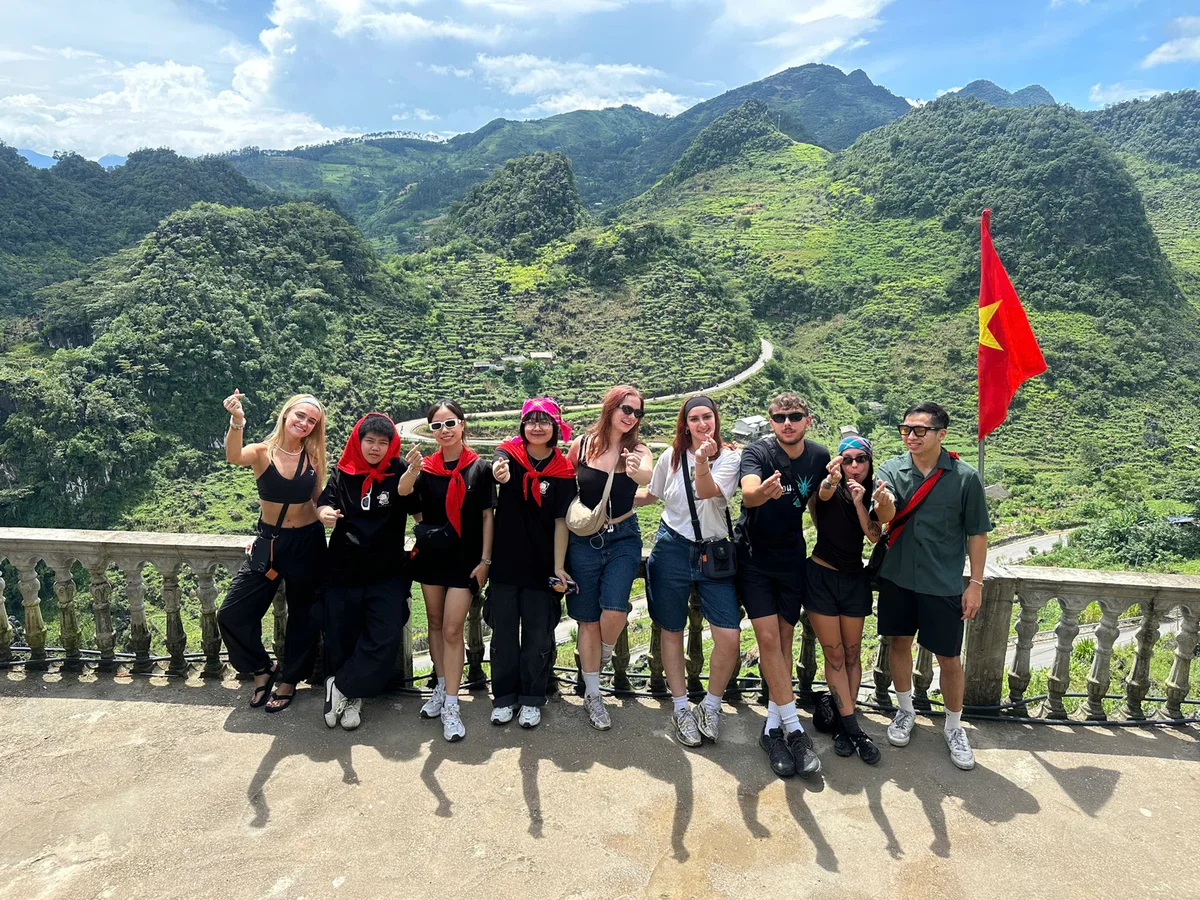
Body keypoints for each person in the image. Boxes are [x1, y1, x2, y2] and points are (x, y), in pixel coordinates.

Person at [876, 402, 991, 770]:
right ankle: (905, 710)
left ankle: (954, 726)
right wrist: (883, 504)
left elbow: (977, 533)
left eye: (919, 430)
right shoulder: (891, 469)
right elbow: (886, 518)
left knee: (949, 658)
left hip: (942, 582)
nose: (910, 436)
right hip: (898, 577)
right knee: (899, 644)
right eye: (905, 429)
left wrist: (975, 584)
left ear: (941, 434)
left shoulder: (964, 477)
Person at [641, 395, 742, 747]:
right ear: (685, 424)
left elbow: (707, 491)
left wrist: (701, 460)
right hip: (672, 547)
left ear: (716, 420)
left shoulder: (730, 457)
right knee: (672, 630)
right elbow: (652, 495)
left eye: (708, 417)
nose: (702, 424)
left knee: (729, 635)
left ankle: (711, 705)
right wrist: (604, 498)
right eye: (695, 419)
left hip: (712, 552)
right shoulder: (670, 457)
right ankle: (682, 707)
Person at [217, 391, 327, 712]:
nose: (304, 423)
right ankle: (262, 668)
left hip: (308, 542)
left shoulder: (313, 457)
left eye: (311, 421)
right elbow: (234, 456)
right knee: (232, 614)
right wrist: (238, 420)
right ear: (286, 414)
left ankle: (289, 679)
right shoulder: (262, 453)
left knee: (304, 616)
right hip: (271, 542)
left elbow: (317, 499)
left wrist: (331, 514)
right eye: (300, 416)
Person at [735, 393, 826, 777]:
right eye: (779, 417)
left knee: (785, 642)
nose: (786, 423)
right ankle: (793, 727)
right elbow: (749, 491)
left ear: (808, 419)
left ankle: (772, 728)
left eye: (794, 416)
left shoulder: (819, 457)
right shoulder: (758, 452)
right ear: (770, 422)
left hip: (792, 558)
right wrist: (762, 493)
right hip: (754, 557)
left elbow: (820, 505)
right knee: (769, 641)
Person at [317, 413, 424, 730]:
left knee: (386, 633)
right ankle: (352, 698)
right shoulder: (344, 470)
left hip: (386, 570)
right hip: (343, 568)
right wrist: (326, 515)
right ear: (358, 441)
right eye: (370, 441)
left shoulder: (400, 471)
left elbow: (413, 504)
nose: (376, 448)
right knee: (342, 634)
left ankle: (340, 686)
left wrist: (410, 480)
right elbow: (325, 502)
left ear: (391, 445)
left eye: (383, 442)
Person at [400, 400, 494, 742]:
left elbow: (487, 516)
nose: (444, 431)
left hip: (465, 561)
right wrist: (411, 473)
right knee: (436, 625)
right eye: (436, 426)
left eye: (450, 423)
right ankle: (441, 688)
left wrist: (485, 561)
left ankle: (452, 704)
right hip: (433, 558)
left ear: (462, 424)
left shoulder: (479, 468)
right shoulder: (426, 469)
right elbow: (407, 498)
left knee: (453, 630)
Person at [565, 385, 653, 731]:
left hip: (623, 537)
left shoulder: (639, 450)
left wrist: (636, 471)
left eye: (637, 413)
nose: (631, 417)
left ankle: (600, 655)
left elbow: (646, 475)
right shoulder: (583, 445)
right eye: (626, 409)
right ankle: (593, 694)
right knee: (586, 618)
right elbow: (565, 483)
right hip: (584, 539)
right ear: (611, 408)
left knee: (615, 608)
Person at [488, 398, 578, 729]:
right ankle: (504, 696)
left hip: (542, 564)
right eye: (530, 421)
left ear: (555, 427)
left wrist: (558, 567)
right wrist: (499, 474)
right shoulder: (507, 455)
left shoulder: (563, 470)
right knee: (504, 633)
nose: (536, 427)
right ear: (522, 426)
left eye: (544, 421)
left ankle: (532, 698)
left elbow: (561, 522)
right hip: (506, 560)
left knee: (539, 635)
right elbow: (498, 470)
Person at [808, 431, 895, 765]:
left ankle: (846, 722)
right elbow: (823, 496)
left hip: (854, 579)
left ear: (869, 462)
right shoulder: (829, 483)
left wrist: (862, 503)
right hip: (821, 576)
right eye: (848, 460)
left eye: (861, 460)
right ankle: (853, 729)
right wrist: (833, 479)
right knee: (833, 656)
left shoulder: (875, 493)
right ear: (838, 461)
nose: (854, 466)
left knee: (852, 653)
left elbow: (875, 535)